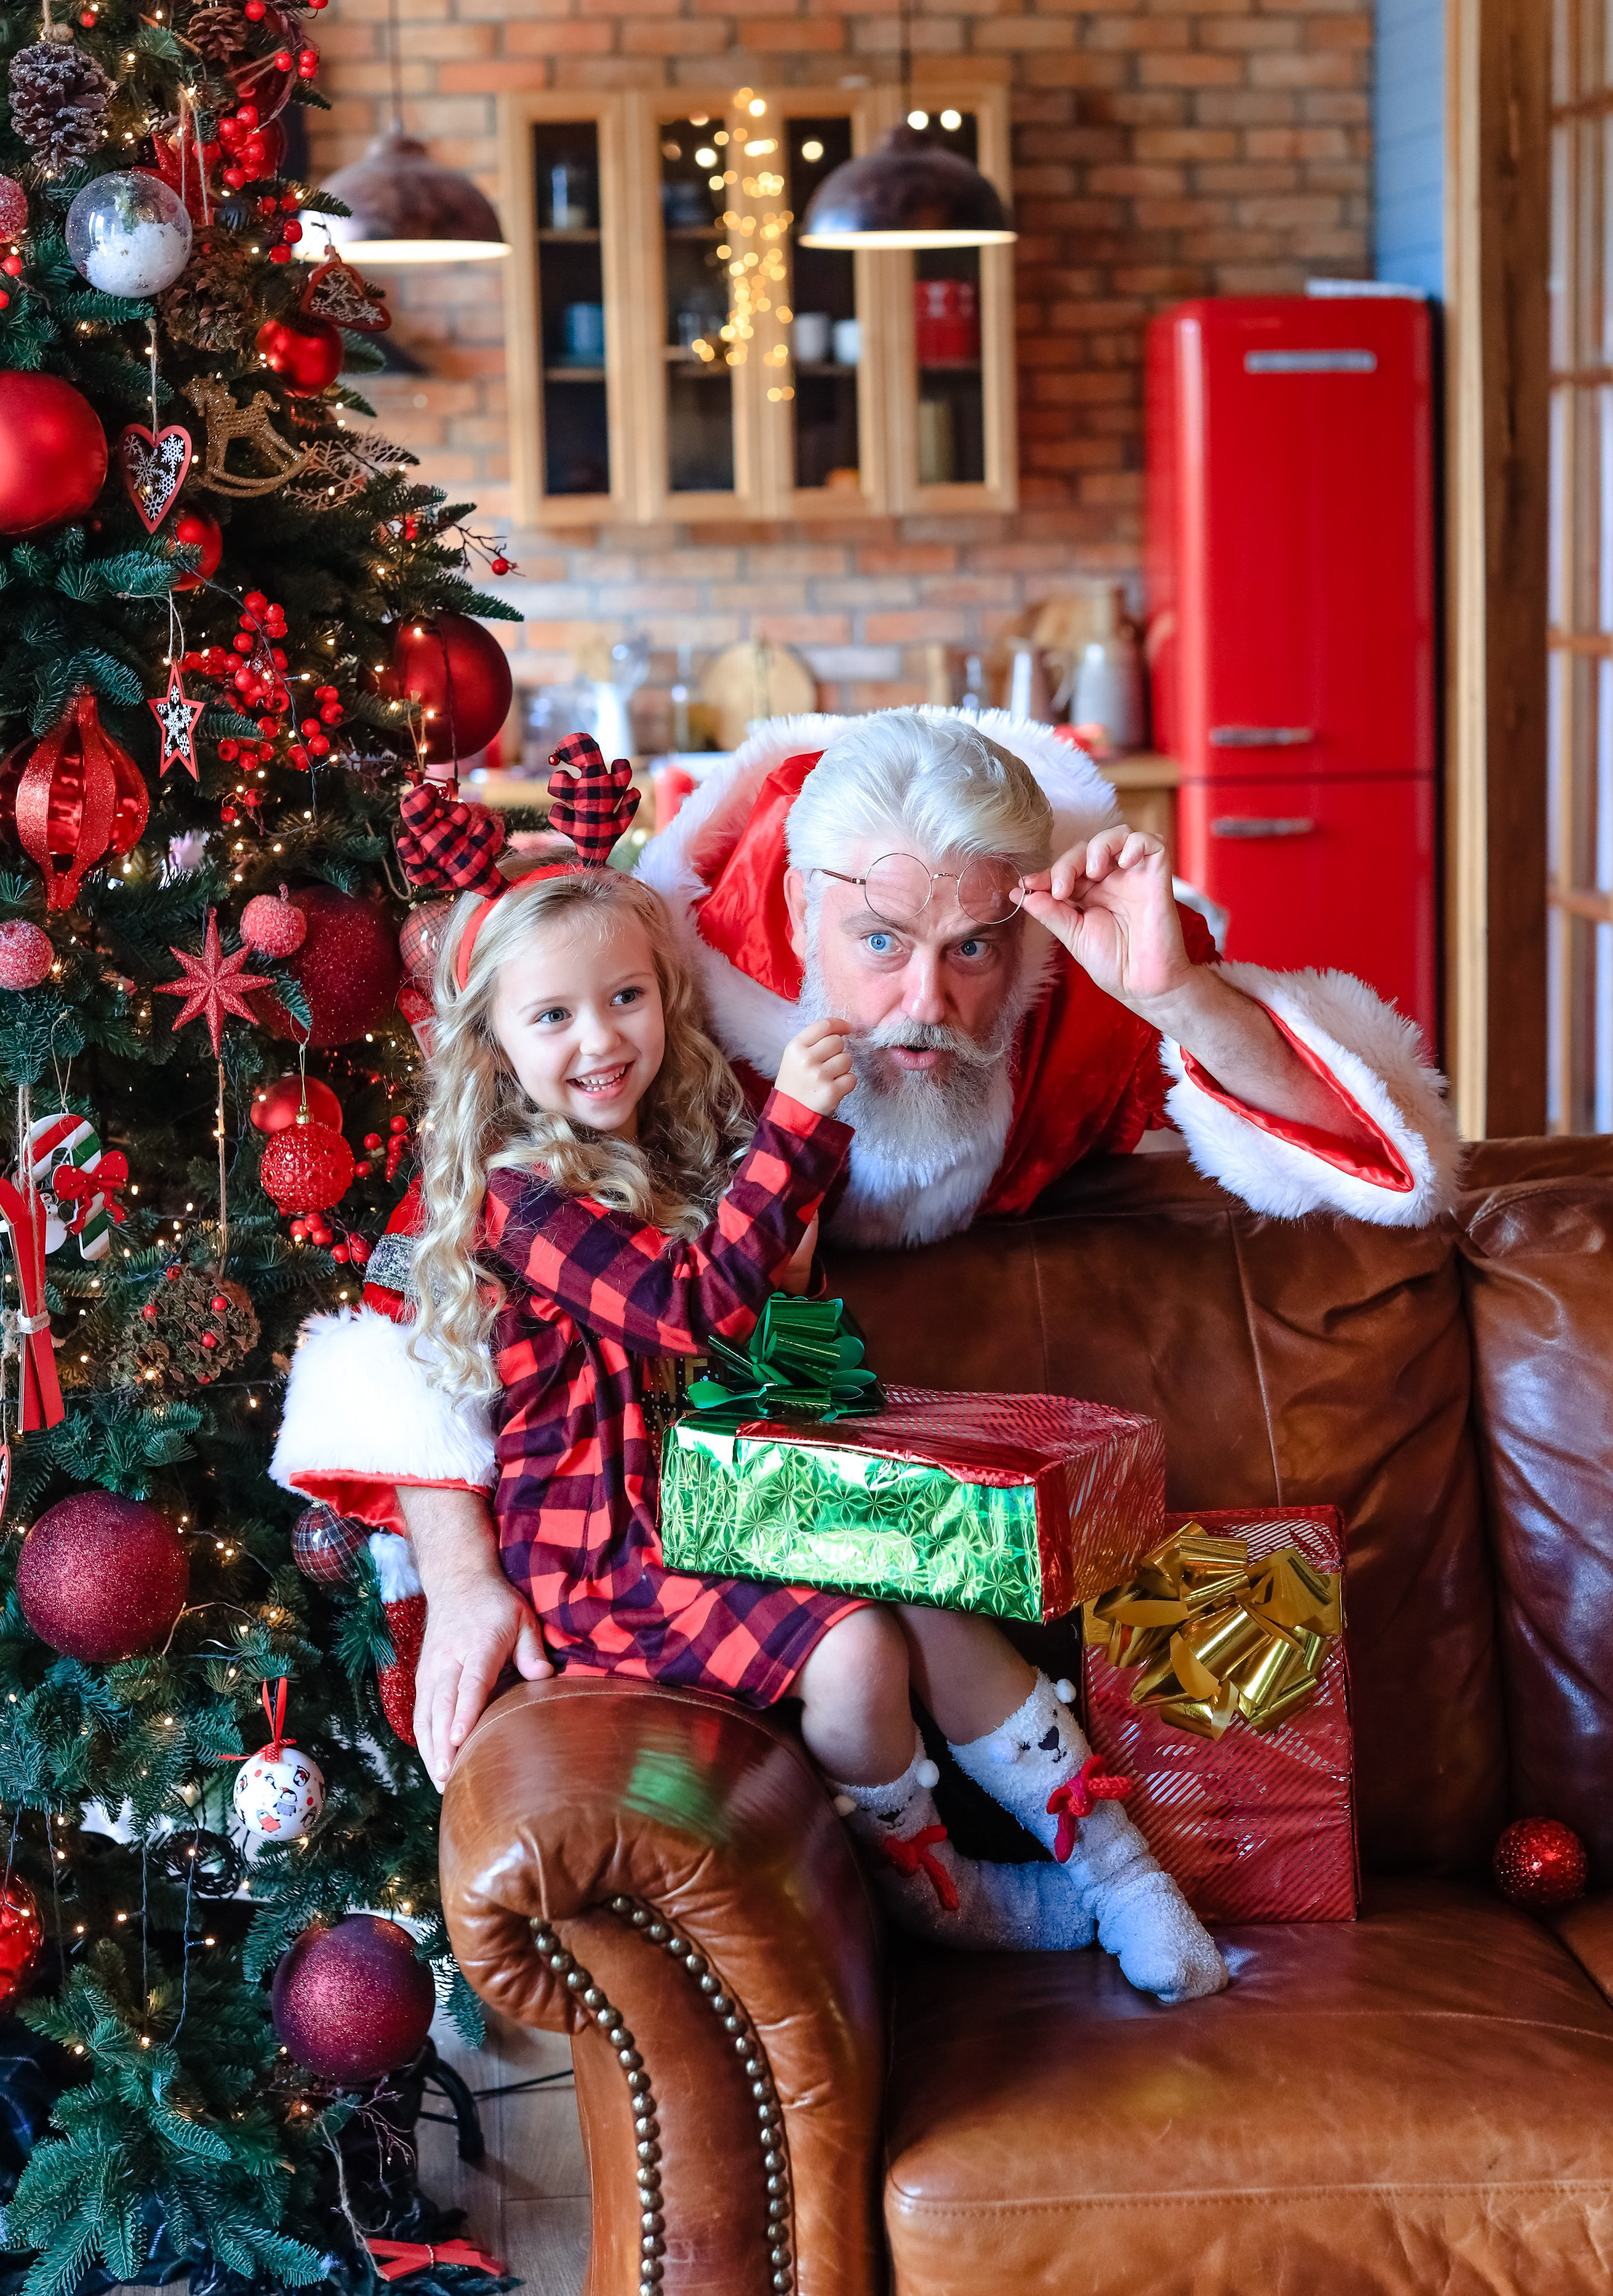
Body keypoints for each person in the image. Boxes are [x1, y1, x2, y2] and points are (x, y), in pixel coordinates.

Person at [274, 707, 1459, 1794]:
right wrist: (468, 1568)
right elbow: (421, 1278)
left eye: (973, 950)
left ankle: (1078, 1853)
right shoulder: (669, 1000)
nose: (927, 1003)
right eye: (882, 942)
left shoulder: (1075, 975)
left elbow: (1385, 1160)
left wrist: (1180, 996)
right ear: (797, 916)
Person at [376, 812, 1226, 2000]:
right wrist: (794, 1133)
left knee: (925, 1593)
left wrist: (794, 1170)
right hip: (612, 1557)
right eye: (553, 1016)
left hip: (725, 1502)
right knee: (862, 1642)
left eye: (626, 997)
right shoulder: (520, 1201)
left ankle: (1123, 1873)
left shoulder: (672, 1151)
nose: (600, 1039)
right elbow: (685, 1309)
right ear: (493, 1049)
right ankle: (940, 1894)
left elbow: (764, 1306)